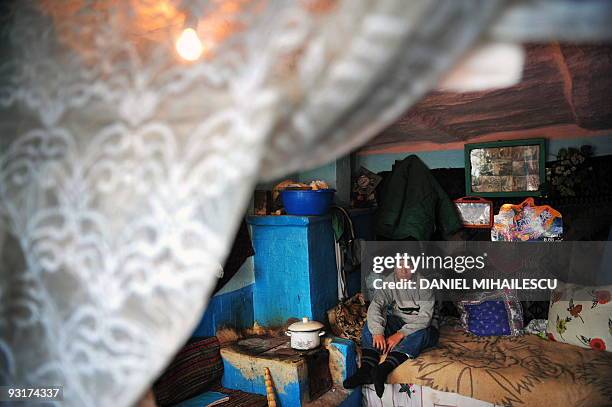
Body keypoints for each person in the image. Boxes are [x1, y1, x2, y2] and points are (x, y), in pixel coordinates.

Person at [343, 262, 439, 398]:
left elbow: (425, 319)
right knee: (371, 323)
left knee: (423, 334)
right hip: (400, 321)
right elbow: (376, 305)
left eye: (408, 266)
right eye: (400, 265)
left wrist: (400, 334)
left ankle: (383, 369)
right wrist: (378, 332)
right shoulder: (390, 281)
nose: (404, 270)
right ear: (395, 267)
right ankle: (366, 370)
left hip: (422, 325)